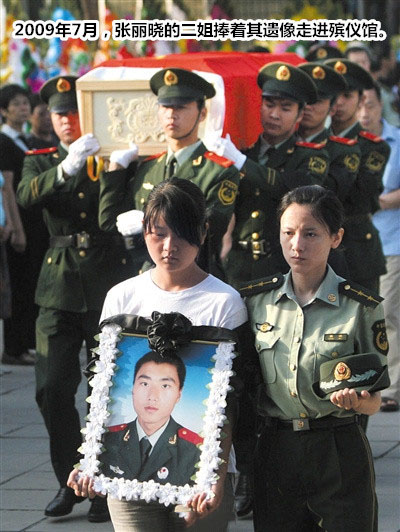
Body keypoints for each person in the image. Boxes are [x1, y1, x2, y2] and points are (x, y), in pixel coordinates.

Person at [68, 177, 248, 531]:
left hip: (198, 478)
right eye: (159, 234)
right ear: (144, 230)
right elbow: (103, 390)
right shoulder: (122, 297)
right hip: (125, 472)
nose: (169, 247)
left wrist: (216, 477)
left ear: (203, 231)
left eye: (182, 235)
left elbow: (232, 402)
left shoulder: (225, 303)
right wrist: (89, 461)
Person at [16, 75, 134, 522]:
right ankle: (70, 478)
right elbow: (26, 195)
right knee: (51, 389)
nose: (67, 121)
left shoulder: (112, 158)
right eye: (59, 114)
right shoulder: (42, 160)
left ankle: (101, 483)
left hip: (106, 280)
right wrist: (66, 168)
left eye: (73, 112)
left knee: (103, 391)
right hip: (59, 285)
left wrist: (115, 169)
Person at [241, 185, 389, 532]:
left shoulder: (360, 307)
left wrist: (356, 401)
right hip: (277, 449)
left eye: (311, 234)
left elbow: (374, 401)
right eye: (288, 233)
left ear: (336, 238)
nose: (297, 245)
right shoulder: (255, 303)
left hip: (338, 449)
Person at [99, 67, 240, 278]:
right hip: (147, 276)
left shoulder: (218, 171)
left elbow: (210, 232)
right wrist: (116, 170)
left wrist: (149, 222)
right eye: (165, 107)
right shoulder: (148, 167)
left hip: (195, 278)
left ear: (202, 114)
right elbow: (109, 221)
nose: (171, 115)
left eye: (181, 107)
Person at [209, 61, 329, 289]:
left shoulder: (311, 157)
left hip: (282, 266)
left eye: (285, 108)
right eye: (269, 104)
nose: (274, 114)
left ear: (300, 115)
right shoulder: (245, 152)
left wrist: (241, 162)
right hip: (239, 264)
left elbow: (294, 190)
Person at [326, 58, 391, 292]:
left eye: (347, 96)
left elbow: (360, 195)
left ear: (361, 99)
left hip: (356, 250)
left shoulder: (373, 147)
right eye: (333, 95)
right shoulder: (312, 141)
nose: (339, 102)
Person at [358, 82, 400, 412]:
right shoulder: (347, 143)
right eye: (358, 105)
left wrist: (382, 201)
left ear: (380, 105)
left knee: (387, 315)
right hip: (355, 242)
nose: (363, 113)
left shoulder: (396, 141)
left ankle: (391, 387)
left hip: (391, 240)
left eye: (369, 105)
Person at [100, 351, 202, 485]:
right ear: (133, 389)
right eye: (144, 384)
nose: (152, 396)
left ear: (179, 394)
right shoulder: (108, 437)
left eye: (165, 386)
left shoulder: (195, 449)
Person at [0, 84, 43, 365]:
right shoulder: (4, 141)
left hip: (34, 221)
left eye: (25, 103)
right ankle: (13, 348)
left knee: (29, 283)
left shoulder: (25, 140)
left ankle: (25, 344)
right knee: (17, 286)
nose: (23, 108)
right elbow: (7, 188)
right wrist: (16, 228)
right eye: (15, 104)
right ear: (4, 111)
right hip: (19, 223)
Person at [345, 41, 400, 127]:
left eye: (364, 62)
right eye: (356, 63)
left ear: (370, 63)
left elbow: (393, 123)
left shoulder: (381, 93)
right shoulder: (339, 93)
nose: (361, 67)